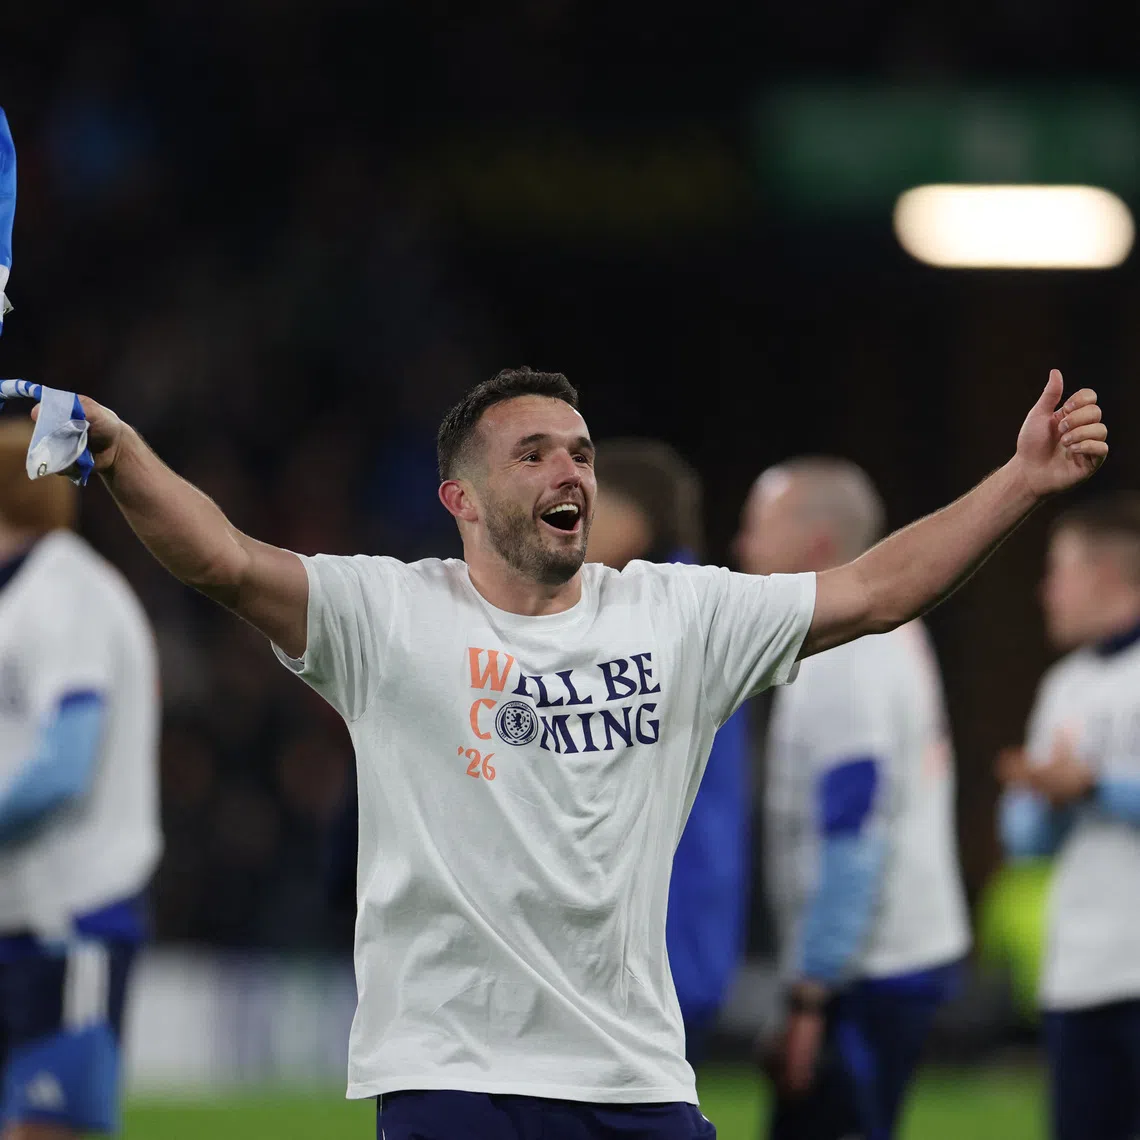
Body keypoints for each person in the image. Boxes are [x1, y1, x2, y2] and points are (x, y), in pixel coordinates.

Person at [16, 364, 1103, 1139]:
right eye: (530, 452)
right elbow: (220, 558)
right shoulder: (387, 615)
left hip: (633, 1072)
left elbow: (875, 588)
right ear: (461, 499)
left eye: (578, 451)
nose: (565, 469)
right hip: (454, 1073)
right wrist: (114, 447)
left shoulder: (679, 615)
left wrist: (1017, 481)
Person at [733, 457, 970, 1140]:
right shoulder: (892, 631)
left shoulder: (844, 653)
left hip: (866, 970)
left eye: (758, 528)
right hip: (891, 955)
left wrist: (811, 995)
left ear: (816, 547)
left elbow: (853, 827)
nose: (742, 547)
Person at [0, 420, 160, 1139]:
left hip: (67, 925)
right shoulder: (23, 597)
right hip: (19, 925)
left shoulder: (66, 593)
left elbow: (63, 767)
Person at [586, 438, 751, 1063]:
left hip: (665, 908)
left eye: (592, 513)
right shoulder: (672, 599)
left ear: (636, 518)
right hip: (682, 904)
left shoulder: (669, 607)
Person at [998, 493, 1140, 1140]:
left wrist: (1092, 788)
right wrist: (1046, 797)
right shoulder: (1063, 686)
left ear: (1107, 575)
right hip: (1078, 975)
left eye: (1059, 570)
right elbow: (1023, 841)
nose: (1044, 590)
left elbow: (1096, 790)